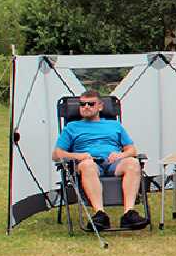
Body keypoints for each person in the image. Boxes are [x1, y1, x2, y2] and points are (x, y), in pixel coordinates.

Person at [52, 89, 146, 230]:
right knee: (88, 165)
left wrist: (120, 155)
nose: (86, 107)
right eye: (82, 104)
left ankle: (129, 214)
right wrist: (79, 156)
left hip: (114, 163)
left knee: (133, 162)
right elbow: (56, 154)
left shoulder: (114, 125)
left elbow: (132, 150)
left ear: (100, 106)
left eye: (91, 104)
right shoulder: (71, 127)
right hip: (88, 164)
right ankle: (100, 214)